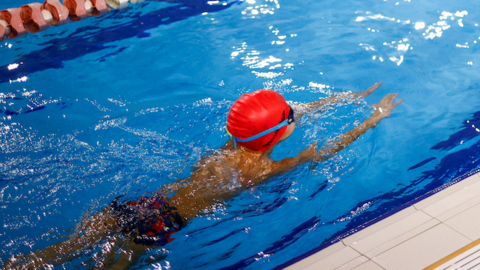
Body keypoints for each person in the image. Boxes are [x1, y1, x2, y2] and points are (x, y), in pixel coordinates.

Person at [3, 82, 403, 269]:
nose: (296, 116)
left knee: (62, 248)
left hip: (145, 202)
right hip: (162, 221)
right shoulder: (266, 168)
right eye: (289, 119)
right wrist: (372, 118)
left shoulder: (229, 146)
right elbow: (328, 150)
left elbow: (281, 114)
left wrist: (346, 98)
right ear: (278, 136)